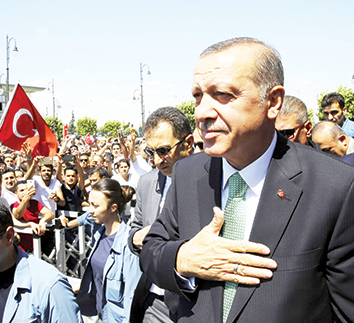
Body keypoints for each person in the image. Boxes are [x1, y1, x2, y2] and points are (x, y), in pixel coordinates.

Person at [140, 37, 354, 322]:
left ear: (273, 102)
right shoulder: (187, 174)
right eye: (198, 96)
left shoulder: (335, 186)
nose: (202, 112)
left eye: (223, 94)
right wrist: (183, 259)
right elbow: (152, 250)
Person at [128, 106, 194, 323]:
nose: (157, 160)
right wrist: (136, 238)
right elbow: (134, 228)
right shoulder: (147, 183)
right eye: (150, 152)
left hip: (193, 302)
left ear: (189, 143)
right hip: (153, 302)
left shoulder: (212, 180)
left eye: (164, 150)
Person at [77, 179, 141, 322]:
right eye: (89, 204)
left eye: (95, 205)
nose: (90, 210)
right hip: (100, 314)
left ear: (113, 208)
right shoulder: (99, 234)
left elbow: (132, 294)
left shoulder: (128, 243)